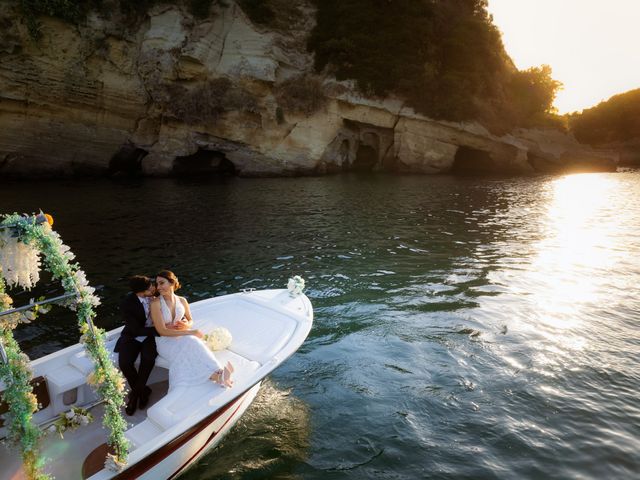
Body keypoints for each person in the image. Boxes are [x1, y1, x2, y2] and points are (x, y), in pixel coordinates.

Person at [150, 270, 233, 390]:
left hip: (179, 336)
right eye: (157, 284)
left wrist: (187, 326)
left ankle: (219, 371)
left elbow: (190, 320)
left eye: (162, 283)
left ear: (172, 283)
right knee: (190, 340)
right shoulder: (156, 304)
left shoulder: (182, 300)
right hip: (165, 341)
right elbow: (162, 331)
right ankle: (215, 376)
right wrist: (190, 331)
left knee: (193, 342)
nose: (158, 287)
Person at [114, 275, 159, 416]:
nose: (153, 288)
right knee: (125, 363)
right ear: (140, 292)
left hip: (151, 337)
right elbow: (135, 329)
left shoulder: (155, 293)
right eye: (149, 288)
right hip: (133, 334)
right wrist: (159, 330)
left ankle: (133, 397)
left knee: (148, 358)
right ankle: (143, 391)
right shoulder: (127, 303)